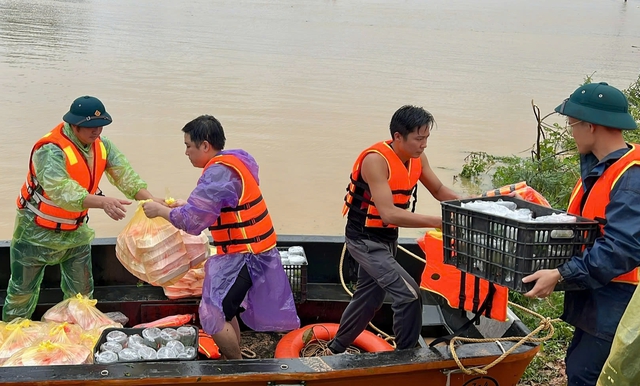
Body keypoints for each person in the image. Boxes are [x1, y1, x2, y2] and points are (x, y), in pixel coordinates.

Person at [142, 114, 300, 359]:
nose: (186, 153)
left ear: (205, 145)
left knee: (212, 314)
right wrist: (186, 205)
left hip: (247, 256)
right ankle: (232, 357)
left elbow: (192, 222)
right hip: (255, 252)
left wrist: (160, 211)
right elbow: (220, 205)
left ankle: (236, 366)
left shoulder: (217, 173)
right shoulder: (234, 160)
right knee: (225, 308)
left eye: (188, 146)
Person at [522, 82, 640, 386]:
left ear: (591, 127)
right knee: (578, 366)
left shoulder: (631, 177)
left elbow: (621, 249)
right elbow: (585, 227)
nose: (571, 131)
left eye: (573, 124)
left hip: (619, 299)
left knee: (588, 375)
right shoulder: (600, 168)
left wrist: (560, 274)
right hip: (594, 293)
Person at [3, 95, 160, 322]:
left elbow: (126, 176)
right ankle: (11, 340)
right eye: (90, 127)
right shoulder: (50, 150)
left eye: (100, 126)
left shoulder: (102, 146)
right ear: (73, 125)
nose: (97, 132)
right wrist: (104, 203)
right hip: (35, 233)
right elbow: (61, 191)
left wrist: (150, 200)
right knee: (21, 293)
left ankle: (79, 340)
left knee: (82, 296)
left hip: (74, 233)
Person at [326, 105, 461, 354]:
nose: (424, 145)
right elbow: (388, 213)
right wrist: (437, 222)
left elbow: (440, 191)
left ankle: (335, 348)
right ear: (399, 136)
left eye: (427, 138)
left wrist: (469, 205)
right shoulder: (375, 160)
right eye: (419, 138)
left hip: (388, 239)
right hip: (364, 240)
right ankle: (406, 357)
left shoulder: (417, 158)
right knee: (409, 294)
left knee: (370, 297)